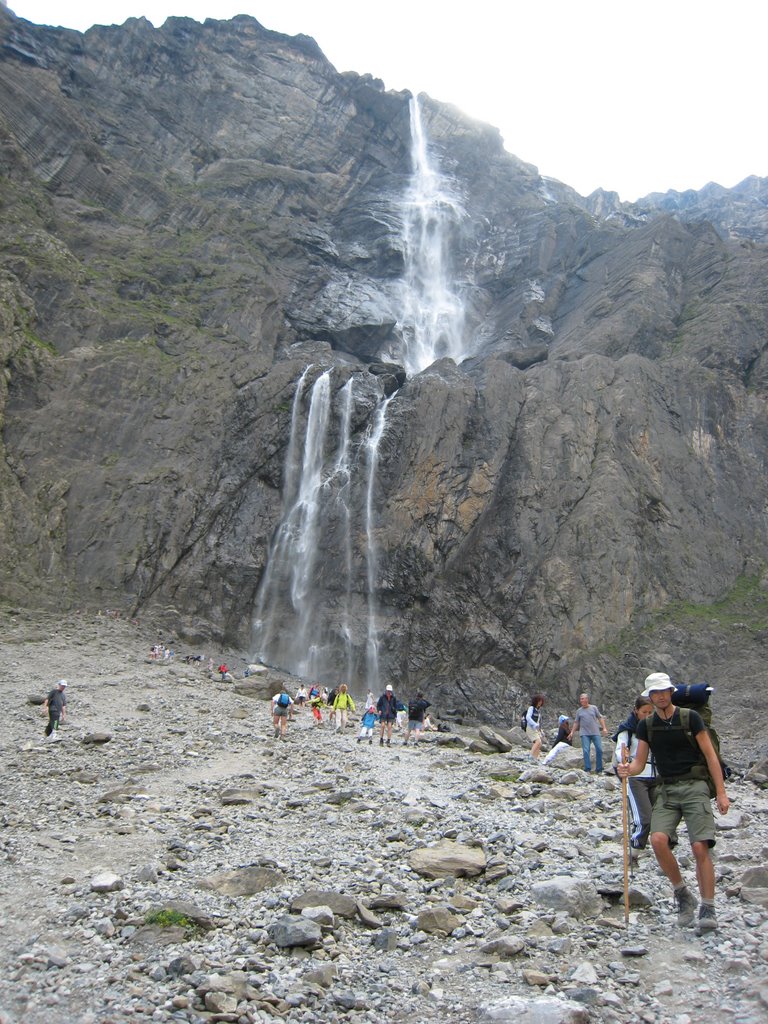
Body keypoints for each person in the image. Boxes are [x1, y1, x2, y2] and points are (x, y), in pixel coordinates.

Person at [617, 672, 729, 933]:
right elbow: (639, 763)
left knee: (700, 846)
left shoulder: (691, 718)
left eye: (664, 691)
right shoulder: (647, 725)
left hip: (695, 785)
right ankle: (682, 895)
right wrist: (627, 770)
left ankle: (708, 907)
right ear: (650, 696)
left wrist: (721, 793)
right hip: (667, 788)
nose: (661, 696)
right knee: (657, 840)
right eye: (655, 693)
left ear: (671, 692)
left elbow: (711, 757)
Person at [613, 697, 658, 860]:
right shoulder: (628, 729)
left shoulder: (657, 727)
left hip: (656, 775)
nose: (647, 715)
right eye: (644, 712)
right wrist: (623, 758)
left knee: (659, 815)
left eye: (650, 712)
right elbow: (620, 749)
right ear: (636, 711)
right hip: (636, 776)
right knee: (644, 817)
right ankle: (634, 851)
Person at [568, 693, 608, 772]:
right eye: (581, 699)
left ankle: (599, 769)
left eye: (583, 698)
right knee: (586, 750)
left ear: (587, 699)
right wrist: (572, 732)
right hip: (584, 733)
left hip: (595, 732)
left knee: (599, 749)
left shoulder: (594, 708)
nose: (582, 700)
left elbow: (600, 718)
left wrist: (604, 728)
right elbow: (576, 722)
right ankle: (587, 769)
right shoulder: (579, 711)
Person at [525, 694, 545, 759]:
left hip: (535, 729)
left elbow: (538, 722)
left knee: (539, 743)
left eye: (541, 701)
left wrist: (540, 731)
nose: (540, 703)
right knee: (538, 741)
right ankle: (530, 756)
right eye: (539, 701)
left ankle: (536, 758)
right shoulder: (531, 708)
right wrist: (534, 724)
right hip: (530, 727)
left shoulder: (538, 711)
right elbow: (528, 717)